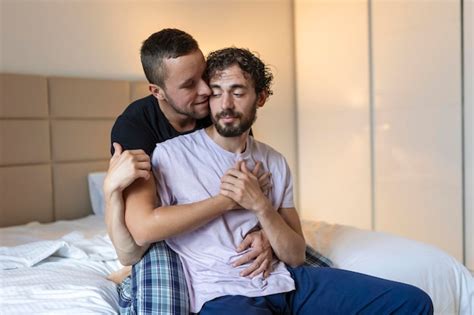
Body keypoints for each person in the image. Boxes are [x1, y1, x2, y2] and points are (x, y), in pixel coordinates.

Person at [123, 47, 433, 314]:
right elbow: (143, 228)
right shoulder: (169, 156)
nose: (226, 104)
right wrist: (227, 200)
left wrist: (260, 205)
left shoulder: (273, 160)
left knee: (413, 303)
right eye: (216, 92)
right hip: (224, 293)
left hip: (287, 282)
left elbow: (296, 253)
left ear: (261, 98)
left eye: (238, 92)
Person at [104, 29, 330, 314]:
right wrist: (229, 201)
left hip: (227, 238)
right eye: (189, 85)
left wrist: (262, 228)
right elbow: (139, 235)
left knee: (318, 267)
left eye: (204, 76)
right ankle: (128, 287)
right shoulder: (136, 128)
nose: (206, 91)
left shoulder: (220, 112)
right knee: (163, 296)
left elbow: (250, 193)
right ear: (157, 91)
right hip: (164, 240)